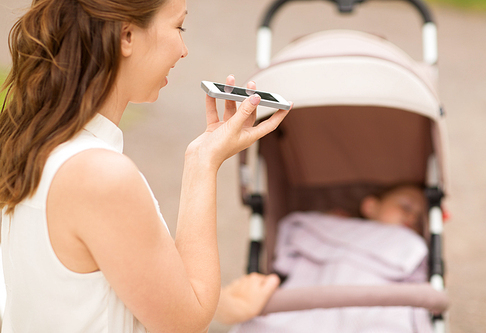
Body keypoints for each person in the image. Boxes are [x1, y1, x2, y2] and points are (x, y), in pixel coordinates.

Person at [0, 0, 289, 332]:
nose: (183, 50)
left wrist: (229, 304)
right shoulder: (101, 176)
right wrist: (202, 163)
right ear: (126, 36)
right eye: (178, 27)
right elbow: (187, 322)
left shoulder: (31, 142)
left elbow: (133, 274)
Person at [215, 185, 431, 331]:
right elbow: (287, 257)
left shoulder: (411, 246)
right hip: (309, 302)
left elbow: (420, 285)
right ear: (371, 206)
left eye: (420, 218)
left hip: (374, 309)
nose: (412, 217)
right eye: (406, 206)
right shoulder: (325, 228)